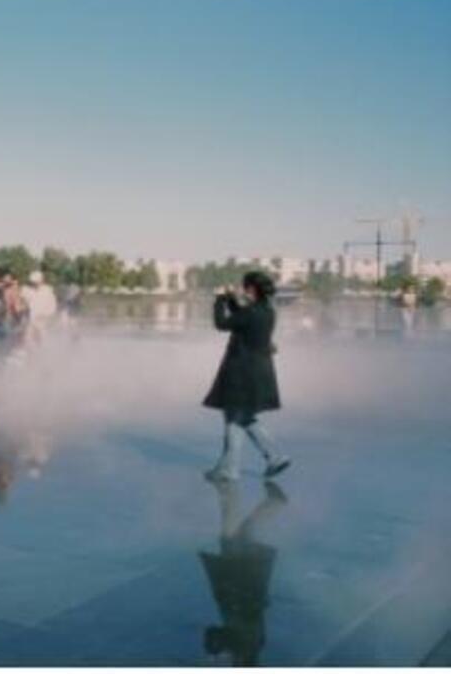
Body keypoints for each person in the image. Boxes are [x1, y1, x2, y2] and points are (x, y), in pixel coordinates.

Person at [203, 271, 291, 482]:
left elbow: (222, 324)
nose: (243, 290)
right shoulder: (267, 311)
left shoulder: (251, 312)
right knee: (241, 417)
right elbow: (241, 319)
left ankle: (232, 469)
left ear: (252, 288)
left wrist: (219, 300)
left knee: (235, 418)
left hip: (240, 372)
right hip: (259, 371)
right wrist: (232, 300)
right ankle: (271, 458)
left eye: (245, 287)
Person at [200, 480, 287, 666]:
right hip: (239, 577)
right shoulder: (245, 647)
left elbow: (221, 632)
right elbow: (215, 633)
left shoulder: (254, 645)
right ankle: (230, 491)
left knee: (237, 534)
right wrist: (213, 649)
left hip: (242, 579)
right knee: (231, 536)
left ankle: (271, 502)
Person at [21, 270, 58, 343]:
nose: (35, 283)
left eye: (37, 281)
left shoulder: (48, 291)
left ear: (42, 280)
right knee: (28, 340)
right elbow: (23, 303)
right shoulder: (26, 290)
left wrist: (46, 316)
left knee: (43, 340)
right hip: (29, 321)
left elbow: (52, 307)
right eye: (33, 282)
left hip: (43, 321)